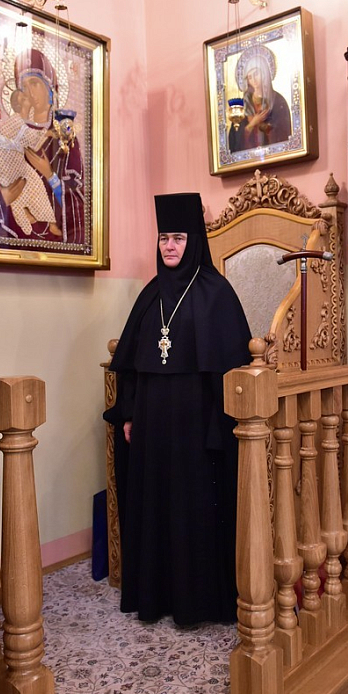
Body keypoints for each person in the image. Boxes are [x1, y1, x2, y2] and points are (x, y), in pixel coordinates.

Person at [108, 193, 252, 626]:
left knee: (193, 508)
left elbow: (229, 366)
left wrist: (216, 426)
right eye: (164, 238)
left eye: (178, 238)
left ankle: (197, 602)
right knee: (155, 507)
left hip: (196, 426)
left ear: (195, 241)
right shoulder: (150, 295)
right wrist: (129, 413)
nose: (169, 246)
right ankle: (156, 598)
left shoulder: (216, 293)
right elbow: (132, 366)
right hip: (153, 425)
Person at [0, 47, 85, 245]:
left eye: (35, 83)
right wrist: (1, 196)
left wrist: (50, 175)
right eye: (24, 86)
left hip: (52, 242)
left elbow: (80, 200)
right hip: (11, 236)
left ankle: (46, 223)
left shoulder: (65, 139)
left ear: (49, 87)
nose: (30, 92)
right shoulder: (10, 129)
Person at [0, 89, 62, 237]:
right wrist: (48, 133)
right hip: (4, 161)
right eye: (26, 98)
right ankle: (23, 218)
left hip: (15, 159)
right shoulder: (16, 121)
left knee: (35, 183)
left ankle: (49, 222)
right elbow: (29, 138)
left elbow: (32, 132)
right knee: (17, 189)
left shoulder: (23, 119)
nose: (31, 99)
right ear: (21, 103)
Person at [228, 49, 291, 153]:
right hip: (249, 158)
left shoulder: (278, 101)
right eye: (250, 77)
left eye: (256, 74)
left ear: (264, 73)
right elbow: (234, 142)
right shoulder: (243, 105)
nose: (254, 80)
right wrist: (252, 124)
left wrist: (265, 127)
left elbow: (284, 134)